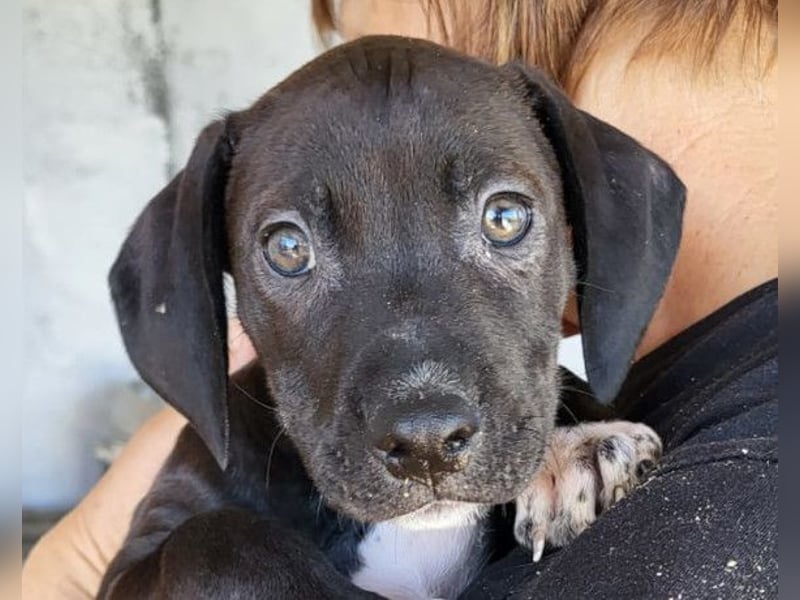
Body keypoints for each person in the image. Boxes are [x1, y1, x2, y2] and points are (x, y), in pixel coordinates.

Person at [23, 0, 777, 597]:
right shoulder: (223, 487)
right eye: (290, 251)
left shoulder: (719, 496)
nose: (425, 423)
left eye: (503, 220)